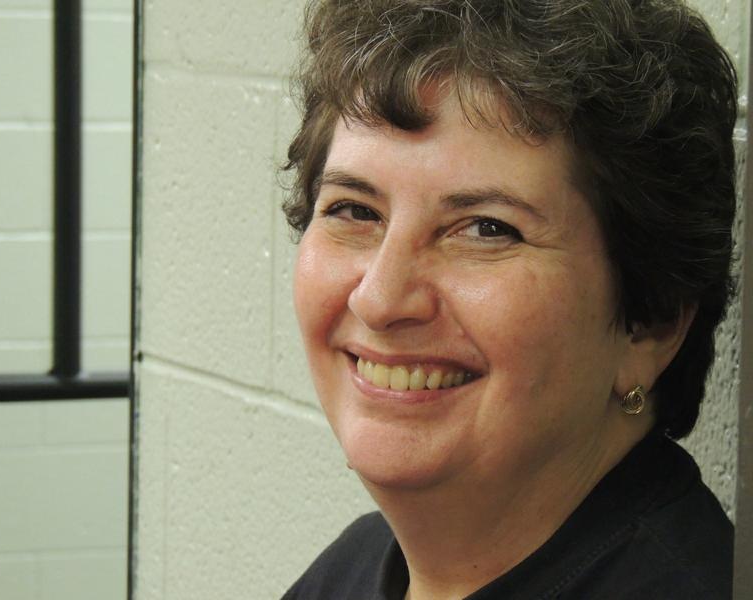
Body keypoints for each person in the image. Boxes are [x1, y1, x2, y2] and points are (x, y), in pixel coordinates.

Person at [281, 0, 738, 598]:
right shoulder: (351, 570)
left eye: (486, 229)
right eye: (355, 211)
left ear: (648, 323)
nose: (380, 299)